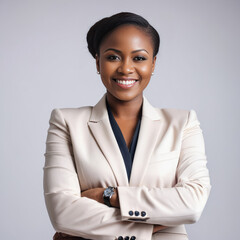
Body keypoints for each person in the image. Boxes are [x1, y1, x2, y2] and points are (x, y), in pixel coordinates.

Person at [43, 12, 211, 240]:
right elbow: (63, 213)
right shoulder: (66, 122)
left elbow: (192, 204)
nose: (125, 68)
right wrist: (151, 225)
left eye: (139, 58)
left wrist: (107, 195)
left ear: (153, 64)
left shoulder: (183, 124)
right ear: (98, 62)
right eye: (113, 57)